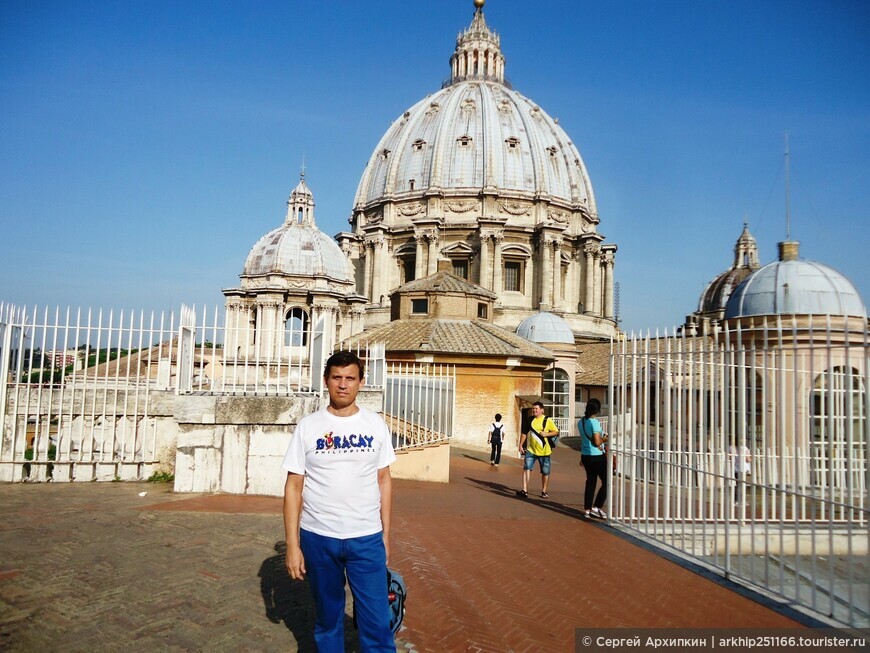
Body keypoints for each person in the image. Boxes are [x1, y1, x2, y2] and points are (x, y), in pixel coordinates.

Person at [282, 350, 397, 652]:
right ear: (326, 381)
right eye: (337, 378)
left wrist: (385, 534)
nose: (343, 385)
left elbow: (384, 480)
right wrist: (293, 546)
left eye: (350, 378)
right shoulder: (308, 426)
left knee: (377, 623)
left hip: (366, 537)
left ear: (361, 383)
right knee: (328, 620)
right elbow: (294, 487)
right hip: (319, 538)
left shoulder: (375, 425)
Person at [516, 401, 559, 499]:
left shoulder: (548, 420)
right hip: (531, 450)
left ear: (542, 410)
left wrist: (546, 434)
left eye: (536, 409)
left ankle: (544, 491)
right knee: (526, 468)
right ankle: (524, 490)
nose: (534, 410)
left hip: (544, 452)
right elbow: (524, 433)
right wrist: (520, 445)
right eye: (533, 408)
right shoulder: (530, 420)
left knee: (545, 472)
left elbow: (556, 432)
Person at [578, 398, 608, 519]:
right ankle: (596, 507)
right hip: (596, 456)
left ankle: (587, 509)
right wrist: (604, 439)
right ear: (597, 410)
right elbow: (596, 442)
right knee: (607, 482)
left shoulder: (581, 422)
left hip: (585, 455)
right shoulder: (594, 422)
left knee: (590, 482)